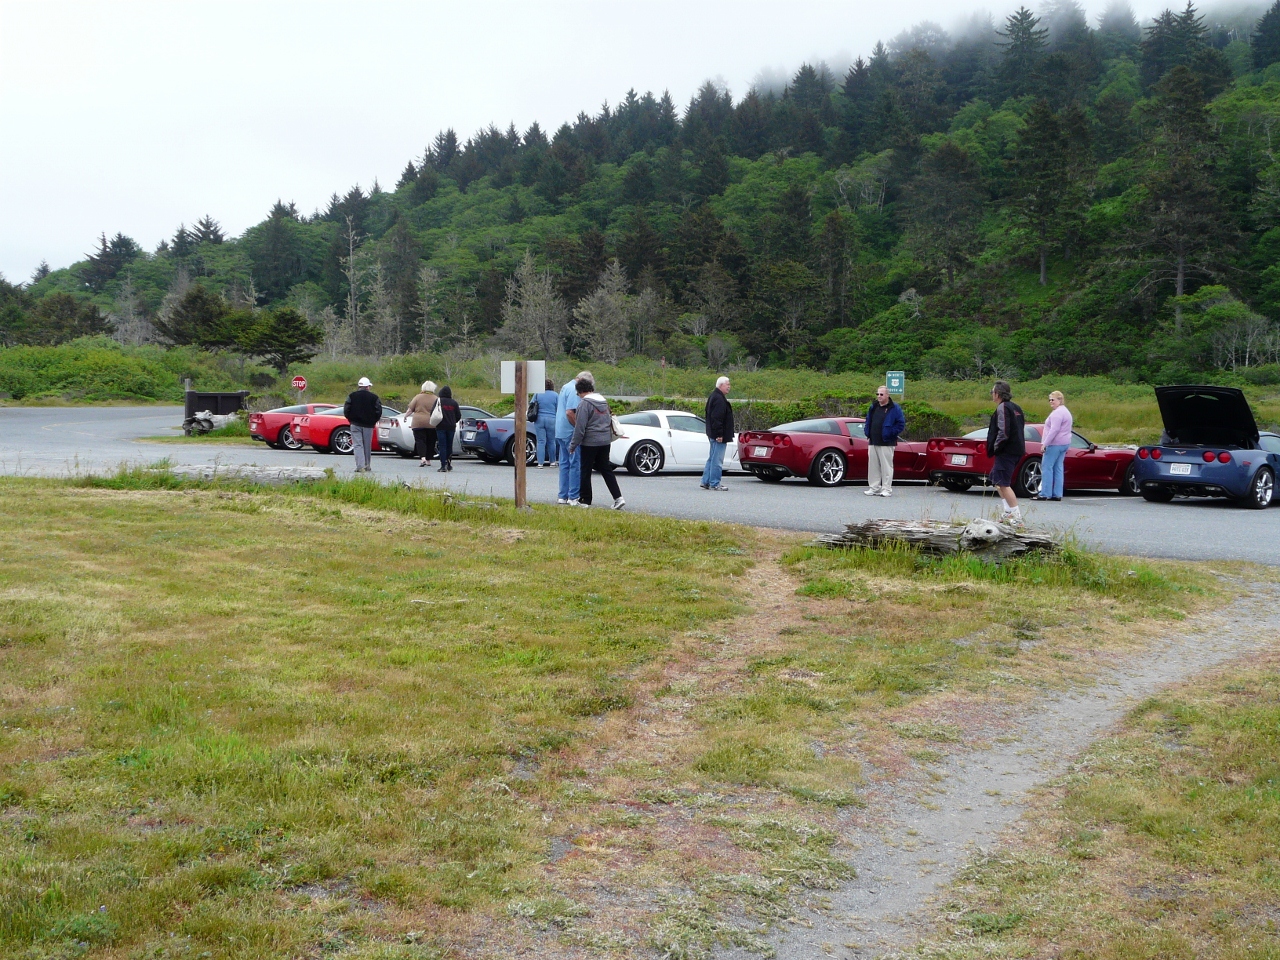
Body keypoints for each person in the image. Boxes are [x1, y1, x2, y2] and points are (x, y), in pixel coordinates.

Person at [569, 377, 624, 509]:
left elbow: (580, 428)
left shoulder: (584, 404)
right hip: (605, 441)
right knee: (606, 469)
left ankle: (585, 500)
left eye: (578, 394)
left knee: (585, 470)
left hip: (590, 442)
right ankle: (618, 497)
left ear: (580, 391)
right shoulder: (603, 402)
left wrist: (573, 445)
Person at [986, 380, 1026, 526]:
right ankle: (1008, 512)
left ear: (998, 393)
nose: (992, 395)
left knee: (1003, 483)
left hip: (1007, 451)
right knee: (997, 480)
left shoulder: (1003, 407)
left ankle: (1017, 516)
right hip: (1017, 449)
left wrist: (996, 447)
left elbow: (1003, 432)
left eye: (993, 392)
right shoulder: (1017, 407)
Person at [555, 370, 592, 505]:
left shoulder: (565, 386)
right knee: (575, 463)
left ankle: (562, 495)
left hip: (560, 429)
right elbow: (570, 412)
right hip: (570, 431)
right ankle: (573, 496)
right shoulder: (574, 389)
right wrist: (579, 429)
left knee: (564, 463)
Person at [863, 385, 906, 497]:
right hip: (873, 441)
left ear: (887, 395)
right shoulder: (874, 406)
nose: (879, 396)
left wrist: (891, 433)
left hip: (886, 442)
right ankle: (874, 487)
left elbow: (900, 424)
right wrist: (867, 431)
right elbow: (868, 420)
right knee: (873, 466)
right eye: (877, 394)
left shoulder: (894, 408)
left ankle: (886, 489)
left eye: (881, 394)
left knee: (886, 466)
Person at [1037, 390, 1072, 502]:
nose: (1051, 402)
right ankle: (1057, 493)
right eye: (1049, 400)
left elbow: (1054, 430)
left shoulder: (1057, 413)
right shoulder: (1065, 411)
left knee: (1047, 467)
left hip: (1054, 443)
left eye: (1053, 399)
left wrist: (1045, 443)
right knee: (1058, 468)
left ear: (1060, 400)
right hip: (1064, 443)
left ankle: (1045, 493)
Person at [343, 376, 383, 474]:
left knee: (358, 445)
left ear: (359, 386)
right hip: (369, 425)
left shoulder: (352, 396)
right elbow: (379, 411)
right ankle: (367, 465)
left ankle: (360, 466)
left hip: (355, 424)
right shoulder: (374, 397)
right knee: (367, 445)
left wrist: (350, 419)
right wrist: (374, 420)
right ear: (368, 387)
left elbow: (346, 409)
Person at [701, 375, 734, 491]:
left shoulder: (713, 396)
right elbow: (717, 418)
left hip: (712, 433)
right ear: (721, 385)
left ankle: (705, 481)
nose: (729, 386)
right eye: (727, 384)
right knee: (717, 460)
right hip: (718, 435)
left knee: (712, 458)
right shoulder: (719, 399)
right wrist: (720, 434)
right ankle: (715, 483)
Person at [404, 380, 439, 467]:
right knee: (431, 441)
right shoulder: (436, 398)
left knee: (420, 441)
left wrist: (405, 416)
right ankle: (428, 460)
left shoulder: (417, 397)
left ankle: (422, 458)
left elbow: (410, 409)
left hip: (418, 422)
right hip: (432, 423)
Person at [533, 378, 559, 468]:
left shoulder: (537, 394)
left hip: (539, 419)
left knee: (540, 441)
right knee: (551, 441)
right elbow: (558, 408)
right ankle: (552, 462)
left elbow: (532, 404)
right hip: (552, 419)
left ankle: (540, 463)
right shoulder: (555, 395)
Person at [435, 385, 461, 473]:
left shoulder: (438, 401)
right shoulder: (454, 403)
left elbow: (433, 413)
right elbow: (458, 416)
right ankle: (449, 464)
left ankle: (443, 465)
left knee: (442, 445)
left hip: (440, 426)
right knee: (449, 445)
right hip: (451, 427)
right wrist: (453, 421)